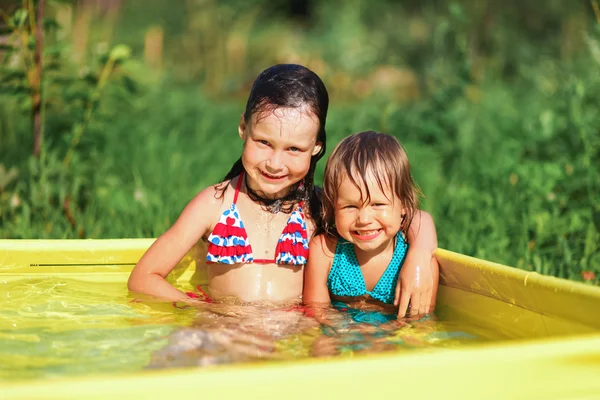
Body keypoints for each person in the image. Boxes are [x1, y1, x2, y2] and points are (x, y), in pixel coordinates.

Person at [128, 65, 437, 317]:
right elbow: (144, 278)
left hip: (291, 341)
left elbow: (413, 217)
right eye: (264, 143)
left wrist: (421, 255)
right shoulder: (215, 203)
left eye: (294, 148)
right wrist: (206, 313)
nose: (275, 163)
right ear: (243, 128)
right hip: (221, 335)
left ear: (316, 147)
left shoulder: (319, 205)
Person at [302, 131, 439, 318]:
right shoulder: (325, 253)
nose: (364, 219)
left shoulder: (420, 264)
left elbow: (419, 323)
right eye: (350, 206)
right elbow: (316, 315)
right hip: (341, 338)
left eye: (378, 204)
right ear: (333, 206)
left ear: (404, 205)